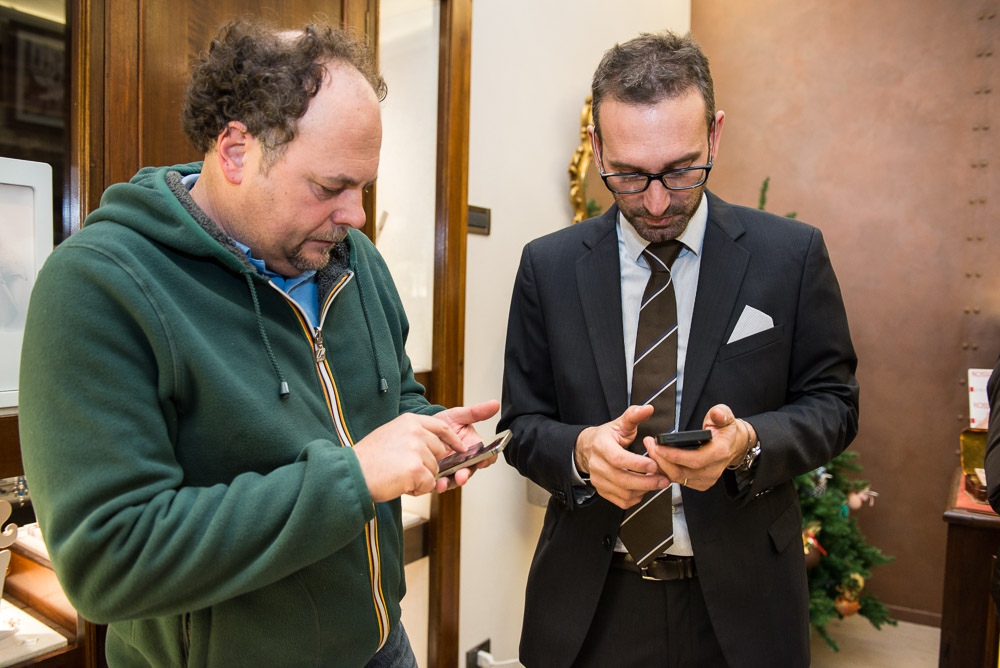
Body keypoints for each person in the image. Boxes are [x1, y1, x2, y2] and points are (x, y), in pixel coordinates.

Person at [18, 18, 498, 667]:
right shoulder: (98, 286)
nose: (356, 215)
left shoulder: (355, 261)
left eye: (363, 187)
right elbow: (108, 562)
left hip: (382, 645)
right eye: (329, 187)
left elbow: (385, 398)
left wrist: (429, 431)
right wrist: (354, 477)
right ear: (237, 151)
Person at [499, 31, 859, 667]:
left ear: (715, 136)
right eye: (629, 175)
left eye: (681, 170)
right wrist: (581, 453)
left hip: (744, 607)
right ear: (597, 147)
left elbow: (834, 404)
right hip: (590, 604)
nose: (657, 201)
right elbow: (523, 426)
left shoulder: (790, 256)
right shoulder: (547, 268)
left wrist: (748, 443)